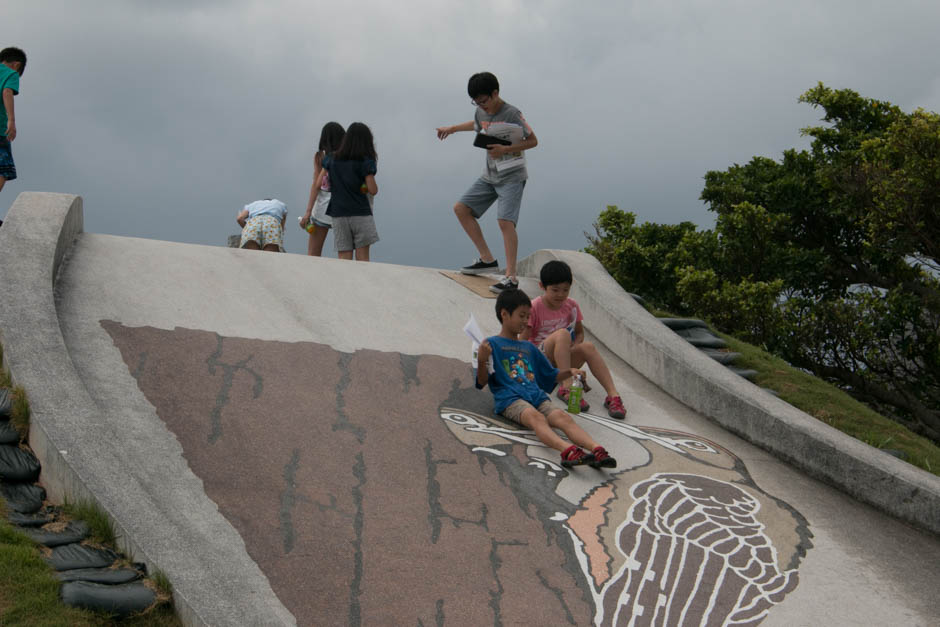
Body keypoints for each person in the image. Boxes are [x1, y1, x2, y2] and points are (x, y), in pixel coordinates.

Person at [477, 288, 617, 469]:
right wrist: (481, 360)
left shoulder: (528, 347)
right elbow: (481, 382)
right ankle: (567, 450)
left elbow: (551, 375)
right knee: (536, 418)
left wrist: (570, 371)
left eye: (528, 317)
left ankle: (596, 450)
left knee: (562, 417)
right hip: (510, 398)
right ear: (504, 314)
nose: (525, 321)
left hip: (536, 395)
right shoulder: (491, 345)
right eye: (521, 316)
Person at [436, 72, 537, 294]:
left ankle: (511, 277)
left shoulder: (512, 113)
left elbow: (533, 140)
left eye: (484, 101)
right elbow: (474, 124)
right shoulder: (481, 111)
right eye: (477, 102)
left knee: (505, 222)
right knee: (461, 209)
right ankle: (487, 259)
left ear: (495, 93)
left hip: (512, 175)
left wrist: (505, 149)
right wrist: (451, 129)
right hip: (490, 175)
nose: (482, 106)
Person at [521, 260, 628, 419]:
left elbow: (579, 333)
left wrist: (573, 347)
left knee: (588, 346)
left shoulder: (571, 305)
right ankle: (567, 387)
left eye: (565, 290)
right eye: (555, 290)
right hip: (540, 362)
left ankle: (613, 396)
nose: (561, 295)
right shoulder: (534, 307)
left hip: (562, 361)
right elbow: (523, 341)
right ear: (542, 286)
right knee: (563, 333)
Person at [323, 122, 378, 261]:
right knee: (362, 259)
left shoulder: (331, 159)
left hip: (338, 213)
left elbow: (320, 183)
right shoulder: (365, 162)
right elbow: (373, 190)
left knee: (344, 256)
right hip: (360, 212)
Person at [301, 122, 345, 256]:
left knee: (313, 252)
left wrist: (308, 211)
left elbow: (316, 185)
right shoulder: (348, 156)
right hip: (343, 207)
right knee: (344, 253)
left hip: (321, 208)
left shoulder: (320, 156)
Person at [0, 47, 26, 203]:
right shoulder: (11, 73)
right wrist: (12, 120)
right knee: (3, 169)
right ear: (16, 65)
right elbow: (7, 92)